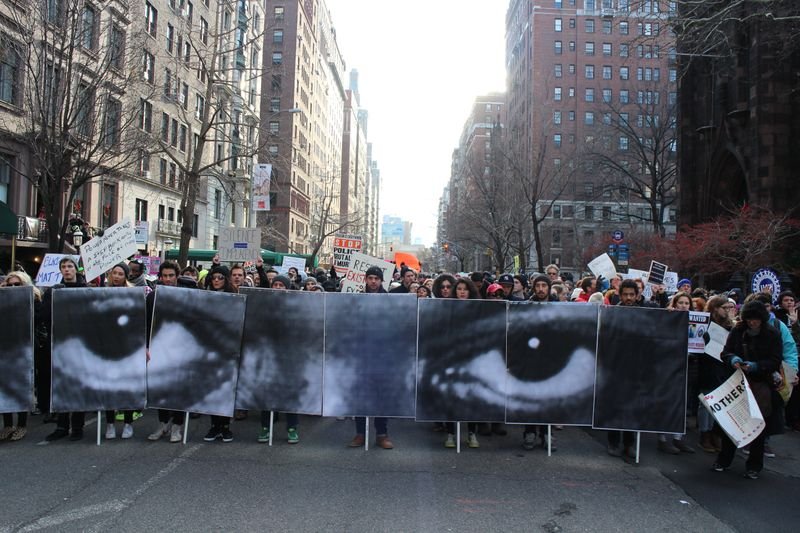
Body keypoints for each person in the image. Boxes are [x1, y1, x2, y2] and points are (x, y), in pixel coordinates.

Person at [713, 300, 782, 479]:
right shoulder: (738, 330)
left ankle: (754, 465)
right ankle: (724, 459)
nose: (752, 323)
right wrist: (733, 359)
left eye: (756, 320)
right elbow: (725, 352)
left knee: (757, 425)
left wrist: (757, 366)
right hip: (738, 381)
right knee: (731, 422)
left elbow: (775, 360)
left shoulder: (772, 334)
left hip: (760, 383)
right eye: (750, 319)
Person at [44, 258, 89, 442]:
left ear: (75, 269)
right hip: (60, 344)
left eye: (70, 266)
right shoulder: (54, 291)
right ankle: (62, 426)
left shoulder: (85, 290)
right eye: (63, 267)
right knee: (61, 385)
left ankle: (77, 427)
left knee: (79, 385)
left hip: (81, 345)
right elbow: (45, 315)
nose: (67, 269)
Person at [349, 266, 393, 449]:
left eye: (376, 278)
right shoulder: (357, 299)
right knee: (360, 394)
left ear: (382, 281)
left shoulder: (389, 301)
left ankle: (381, 434)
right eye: (370, 278)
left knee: (381, 395)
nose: (373, 281)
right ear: (365, 280)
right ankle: (360, 433)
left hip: (383, 354)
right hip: (361, 353)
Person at [256, 276, 300, 445]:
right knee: (267, 392)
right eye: (275, 284)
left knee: (289, 392)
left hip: (288, 357)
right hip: (268, 356)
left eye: (282, 285)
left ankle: (292, 428)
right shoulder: (264, 308)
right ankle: (265, 427)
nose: (278, 287)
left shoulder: (294, 308)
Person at [0, 271, 42, 441]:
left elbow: (38, 320)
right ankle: (8, 424)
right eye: (10, 285)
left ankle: (22, 425)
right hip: (5, 348)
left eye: (17, 285)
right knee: (5, 386)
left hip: (25, 348)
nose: (13, 288)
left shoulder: (35, 300)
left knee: (22, 385)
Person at [147, 262, 186, 443]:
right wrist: (146, 346)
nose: (168, 279)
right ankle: (162, 424)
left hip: (180, 350)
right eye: (165, 276)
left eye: (171, 275)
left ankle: (177, 426)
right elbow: (146, 322)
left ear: (177, 276)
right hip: (158, 348)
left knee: (179, 389)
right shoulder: (152, 297)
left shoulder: (186, 295)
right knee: (160, 387)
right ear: (160, 277)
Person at [443, 277, 482, 449]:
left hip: (472, 360)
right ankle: (451, 433)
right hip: (452, 359)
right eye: (459, 289)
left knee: (471, 398)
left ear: (470, 291)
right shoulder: (448, 310)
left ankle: (472, 433)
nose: (462, 292)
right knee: (452, 397)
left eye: (465, 289)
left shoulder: (478, 310)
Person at [656, 292, 696, 454]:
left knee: (681, 403)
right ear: (675, 303)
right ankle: (662, 439)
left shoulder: (693, 321)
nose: (684, 306)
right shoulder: (668, 319)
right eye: (681, 303)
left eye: (687, 303)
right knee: (666, 402)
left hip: (686, 366)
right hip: (668, 367)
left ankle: (678, 438)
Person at [697, 296, 734, 453]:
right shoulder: (705, 325)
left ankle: (714, 433)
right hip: (707, 367)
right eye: (724, 308)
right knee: (706, 403)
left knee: (719, 403)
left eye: (728, 308)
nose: (727, 311)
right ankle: (704, 434)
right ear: (714, 308)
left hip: (723, 368)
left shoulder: (730, 326)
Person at [104, 263, 137, 440]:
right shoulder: (103, 293)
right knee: (109, 387)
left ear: (125, 276)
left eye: (120, 273)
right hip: (108, 348)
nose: (116, 276)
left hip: (127, 348)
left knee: (126, 387)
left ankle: (128, 423)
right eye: (114, 273)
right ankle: (109, 424)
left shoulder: (132, 294)